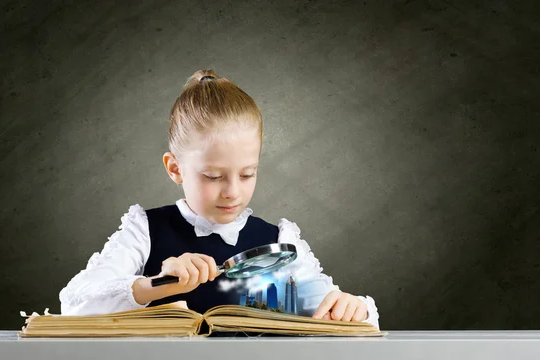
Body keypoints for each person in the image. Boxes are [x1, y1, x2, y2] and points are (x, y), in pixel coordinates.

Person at [59, 70, 380, 329]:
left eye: (247, 174)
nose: (232, 192)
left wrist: (352, 307)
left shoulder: (279, 240)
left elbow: (333, 309)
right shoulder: (144, 229)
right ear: (175, 168)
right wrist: (155, 284)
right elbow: (73, 303)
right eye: (213, 176)